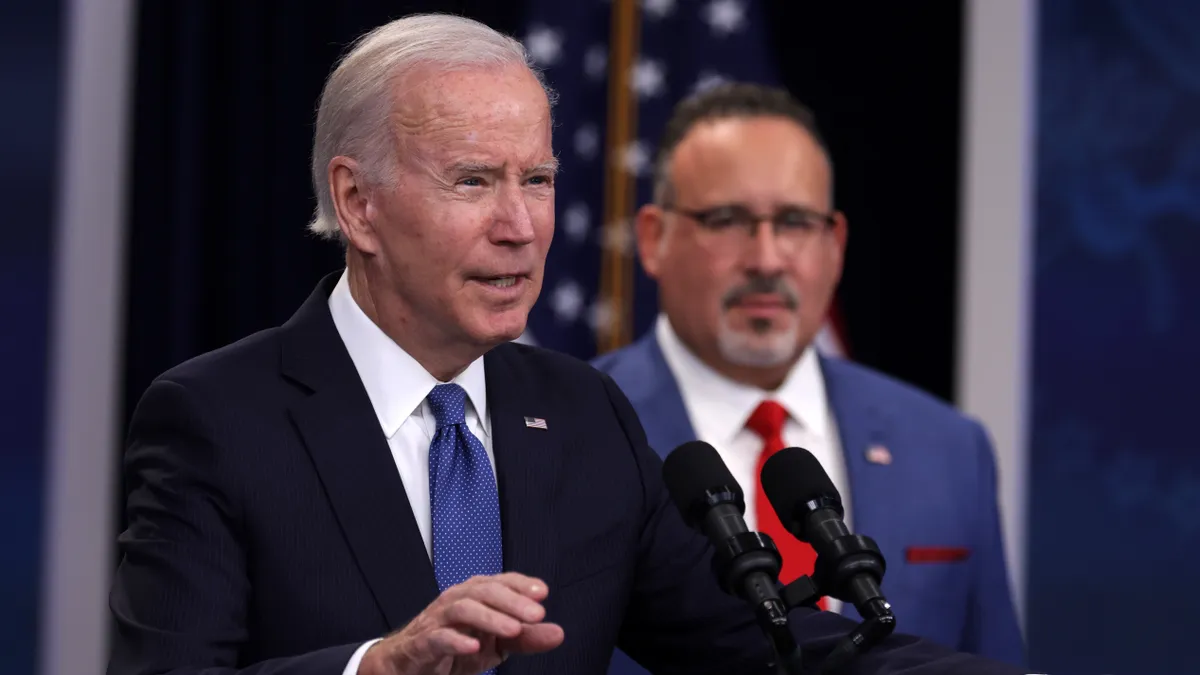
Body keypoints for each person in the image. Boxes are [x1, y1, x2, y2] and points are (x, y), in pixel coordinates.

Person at [107, 14, 1028, 675]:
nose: (521, 226)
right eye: (473, 181)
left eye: (538, 179)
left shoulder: (582, 411)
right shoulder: (219, 419)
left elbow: (761, 641)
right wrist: (373, 669)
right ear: (358, 203)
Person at [591, 82, 1026, 671]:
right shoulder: (579, 433)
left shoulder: (947, 446)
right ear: (653, 239)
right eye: (727, 219)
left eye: (795, 222)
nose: (767, 259)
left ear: (836, 244)